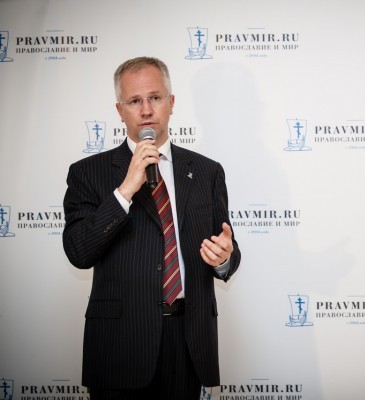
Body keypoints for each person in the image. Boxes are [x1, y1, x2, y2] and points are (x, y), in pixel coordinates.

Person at [63, 56, 241, 400]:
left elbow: (227, 250)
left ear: (171, 103)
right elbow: (79, 252)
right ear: (120, 111)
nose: (146, 110)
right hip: (120, 344)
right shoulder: (88, 173)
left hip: (187, 342)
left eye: (155, 98)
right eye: (134, 101)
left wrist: (223, 259)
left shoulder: (207, 172)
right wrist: (124, 191)